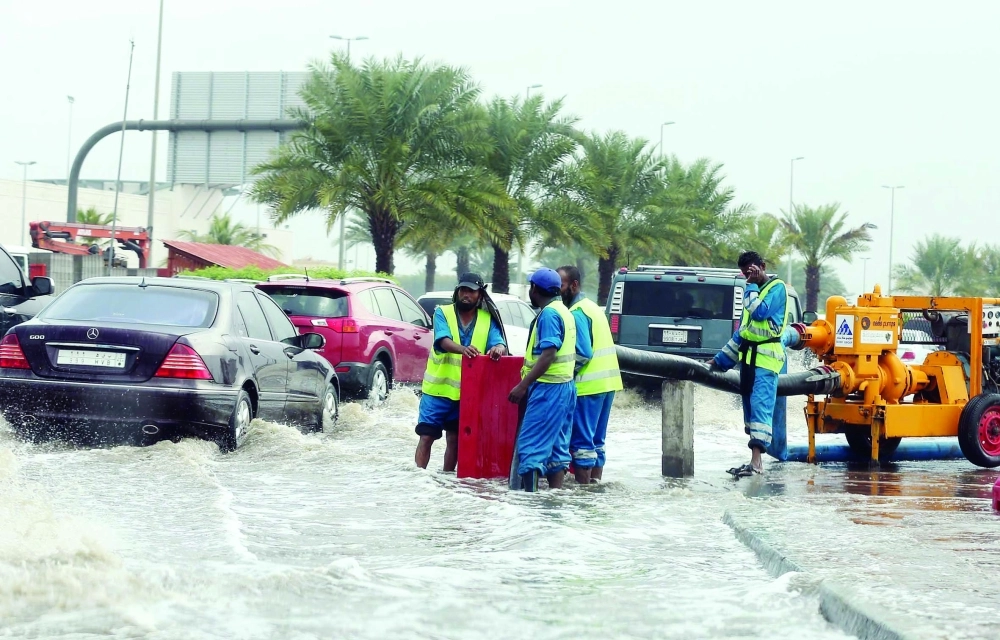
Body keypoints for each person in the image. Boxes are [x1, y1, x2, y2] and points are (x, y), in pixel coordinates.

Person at [415, 273, 507, 471]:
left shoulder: (487, 319)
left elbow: (498, 341)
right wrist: (463, 349)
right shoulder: (443, 313)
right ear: (457, 292)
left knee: (455, 440)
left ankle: (447, 479)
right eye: (463, 290)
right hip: (437, 392)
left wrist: (498, 348)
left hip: (467, 394)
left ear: (480, 295)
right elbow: (442, 340)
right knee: (426, 436)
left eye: (471, 291)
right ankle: (417, 479)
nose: (466, 295)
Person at [710, 251, 788, 478]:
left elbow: (761, 313)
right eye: (745, 274)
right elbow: (744, 332)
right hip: (748, 362)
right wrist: (720, 360)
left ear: (762, 266)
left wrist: (751, 286)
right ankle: (755, 461)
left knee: (761, 408)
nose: (748, 276)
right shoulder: (751, 290)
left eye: (752, 271)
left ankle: (757, 464)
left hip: (766, 362)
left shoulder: (776, 288)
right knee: (750, 411)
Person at [508, 268, 577, 491]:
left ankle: (532, 505)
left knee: (529, 448)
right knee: (558, 448)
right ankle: (554, 499)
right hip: (566, 387)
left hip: (548, 389)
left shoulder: (548, 314)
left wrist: (522, 385)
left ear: (535, 289)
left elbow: (549, 354)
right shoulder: (565, 311)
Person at [558, 265, 621, 484]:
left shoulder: (576, 313)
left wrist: (562, 371)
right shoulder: (592, 307)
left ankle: (583, 495)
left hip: (588, 386)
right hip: (608, 384)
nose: (557, 291)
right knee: (597, 441)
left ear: (574, 285)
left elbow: (583, 352)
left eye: (561, 285)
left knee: (582, 443)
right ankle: (595, 488)